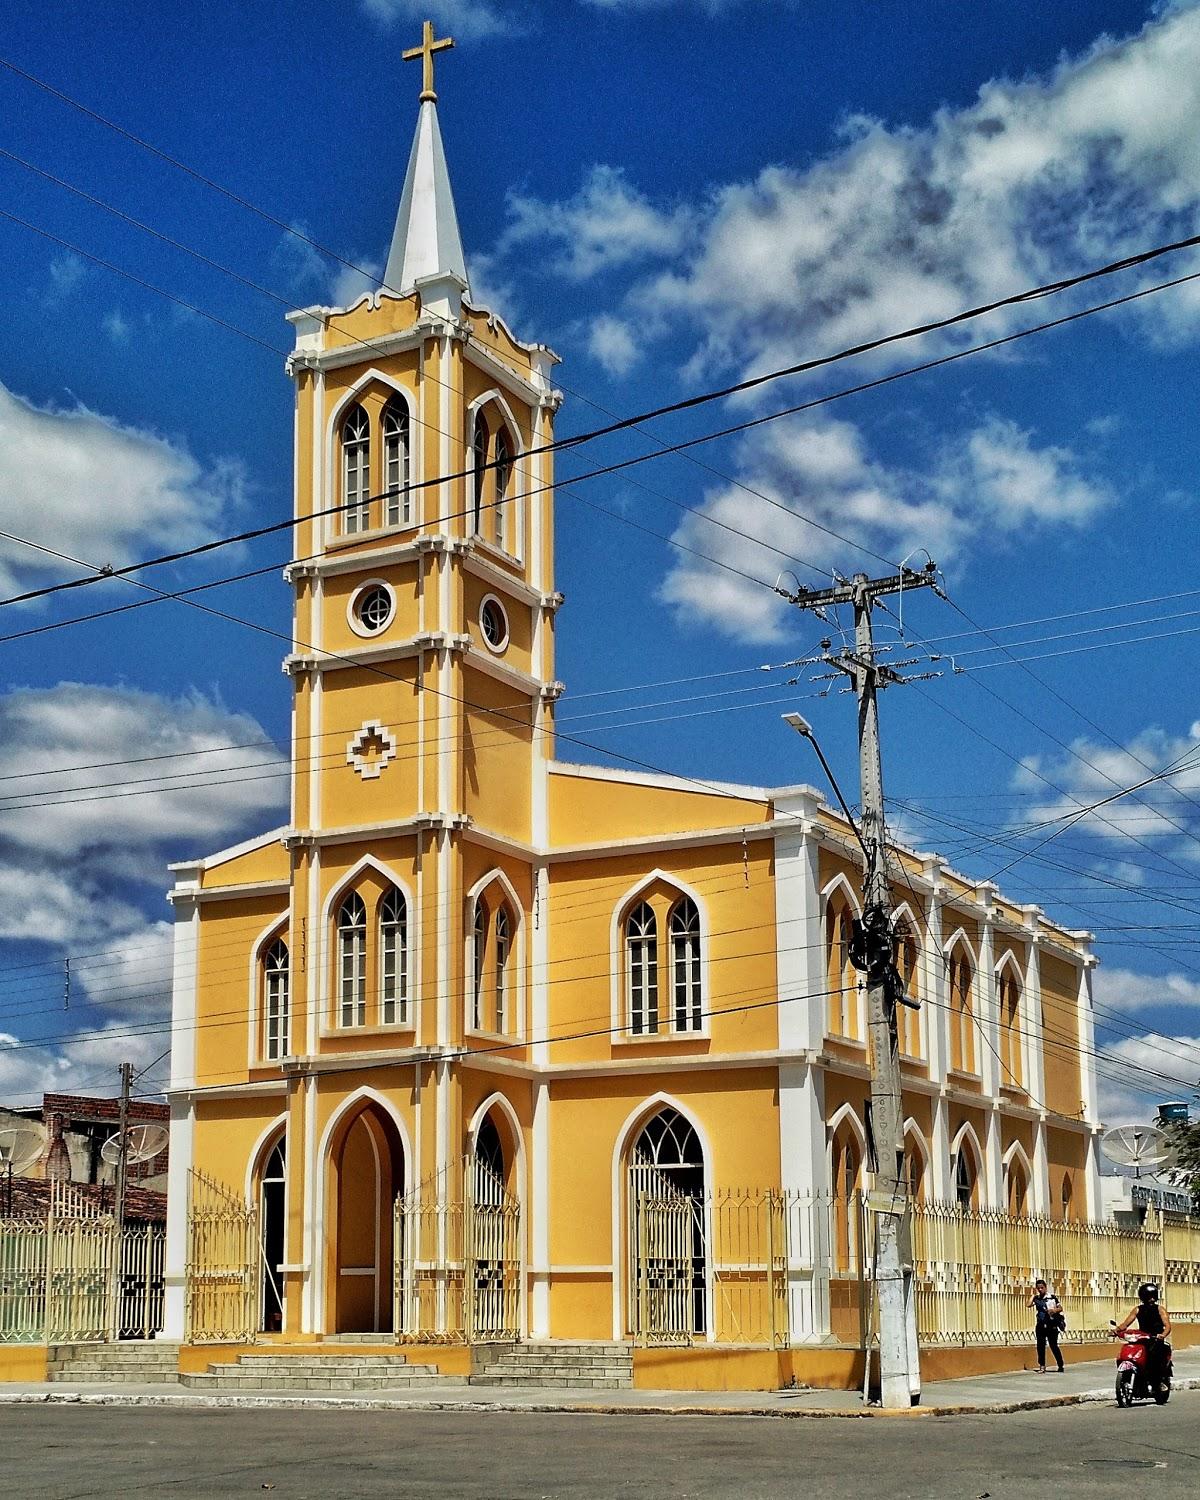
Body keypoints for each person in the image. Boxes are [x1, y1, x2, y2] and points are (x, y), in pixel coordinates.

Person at [1115, 1282, 1172, 1388]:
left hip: (1155, 1339)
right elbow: (1126, 1324)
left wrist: (1162, 1335)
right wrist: (1116, 1330)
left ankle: (1159, 1382)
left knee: (1154, 1357)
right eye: (1149, 1297)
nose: (1152, 1299)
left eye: (1154, 1297)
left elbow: (1167, 1325)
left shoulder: (1160, 1309)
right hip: (1142, 1337)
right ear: (1143, 1298)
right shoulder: (1137, 1309)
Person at [1029, 1279, 1065, 1372]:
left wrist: (1054, 1310)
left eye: (1042, 1288)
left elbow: (1060, 1308)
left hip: (1051, 1325)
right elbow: (1028, 1305)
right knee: (1040, 1346)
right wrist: (1032, 1296)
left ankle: (1060, 1364)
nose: (1040, 1290)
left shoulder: (1052, 1297)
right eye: (1038, 1288)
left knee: (1053, 1345)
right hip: (1041, 1325)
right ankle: (1042, 1365)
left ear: (1045, 1287)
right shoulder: (1037, 1299)